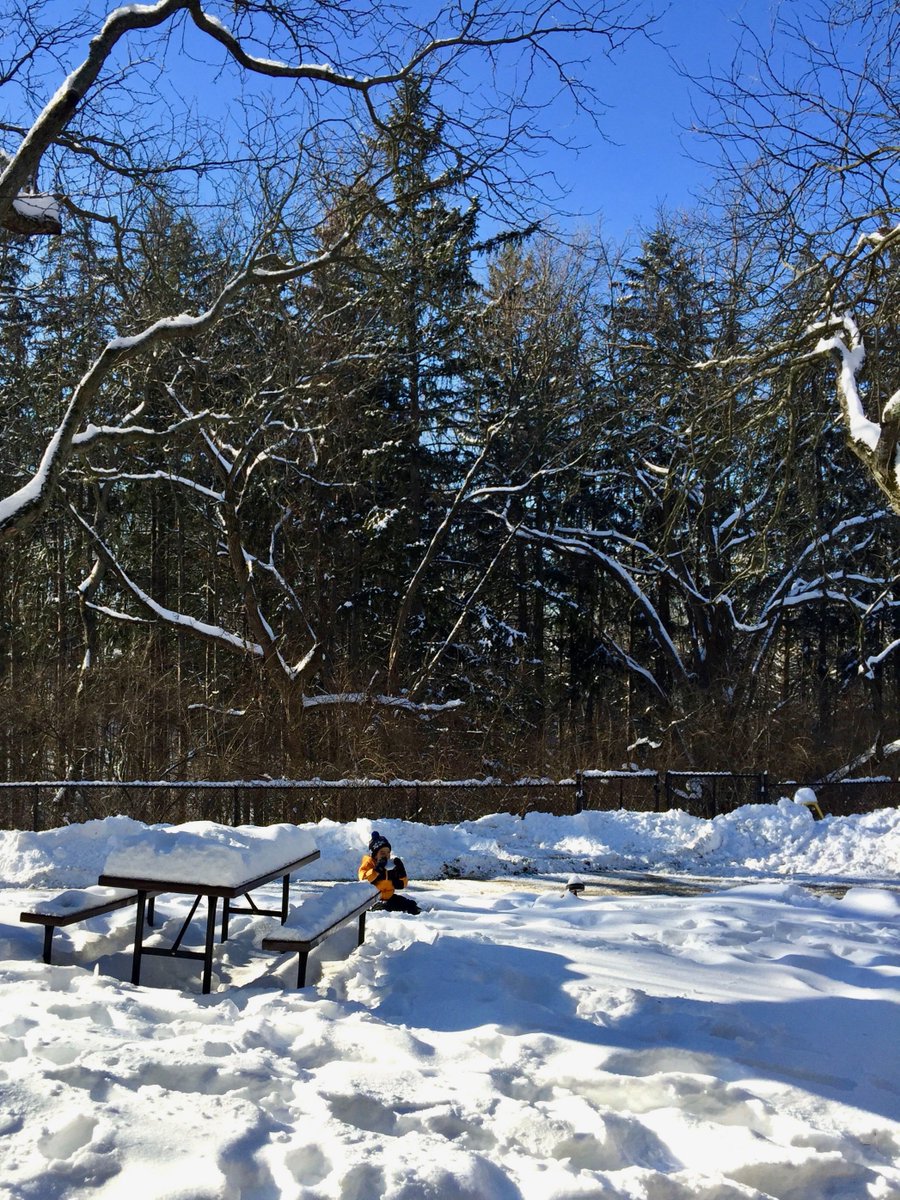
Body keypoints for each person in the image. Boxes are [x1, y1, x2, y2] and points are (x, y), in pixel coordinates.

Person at [358, 830, 420, 914]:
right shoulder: (369, 864)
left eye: (388, 853)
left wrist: (401, 872)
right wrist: (376, 870)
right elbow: (363, 879)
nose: (386, 856)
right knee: (384, 907)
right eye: (382, 853)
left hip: (389, 897)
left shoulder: (391, 865)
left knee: (409, 905)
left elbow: (403, 884)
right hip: (372, 900)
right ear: (374, 854)